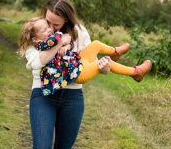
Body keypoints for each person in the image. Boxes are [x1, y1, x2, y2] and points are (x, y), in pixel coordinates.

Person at [13, 0, 110, 149]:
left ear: (67, 18)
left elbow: (87, 63)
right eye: (49, 21)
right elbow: (38, 62)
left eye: (56, 24)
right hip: (44, 94)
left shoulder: (79, 33)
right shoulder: (35, 32)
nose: (52, 26)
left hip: (72, 96)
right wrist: (58, 39)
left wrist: (102, 68)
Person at [18, 17, 152, 96]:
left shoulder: (51, 39)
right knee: (104, 62)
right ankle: (135, 72)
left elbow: (65, 43)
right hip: (78, 73)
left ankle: (115, 51)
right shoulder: (41, 45)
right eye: (45, 29)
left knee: (96, 44)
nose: (50, 30)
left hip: (76, 63)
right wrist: (61, 41)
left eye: (48, 27)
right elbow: (57, 41)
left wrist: (66, 46)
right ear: (35, 39)